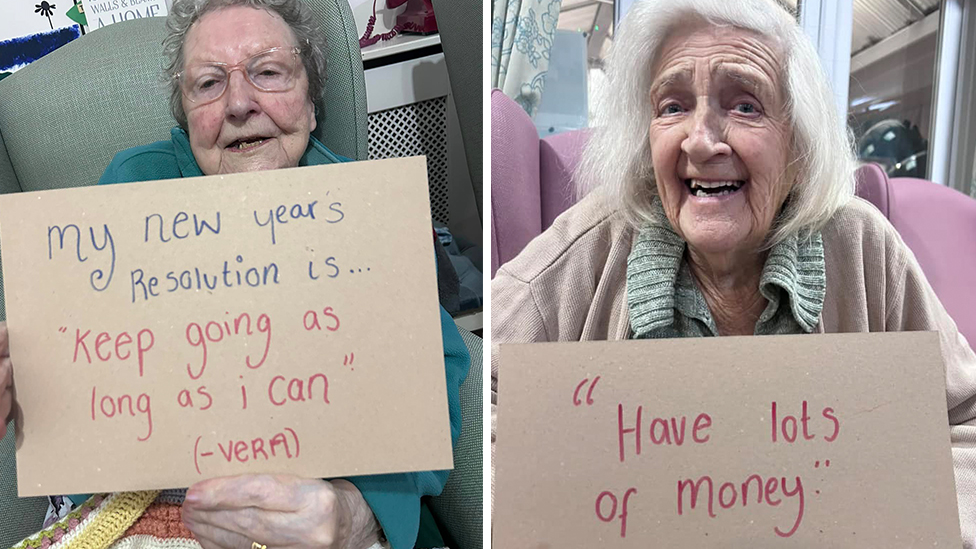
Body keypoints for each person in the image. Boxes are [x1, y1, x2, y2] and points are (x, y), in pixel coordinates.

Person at [490, 0, 976, 540]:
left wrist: (908, 517)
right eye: (672, 106)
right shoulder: (592, 243)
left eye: (745, 106)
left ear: (797, 140)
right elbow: (479, 395)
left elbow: (965, 421)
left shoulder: (861, 246)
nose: (700, 140)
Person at [0, 0, 469, 548]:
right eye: (207, 84)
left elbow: (436, 372)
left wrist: (353, 514)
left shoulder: (366, 207)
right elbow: (81, 374)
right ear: (184, 114)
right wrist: (30, 384)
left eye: (268, 73)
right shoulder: (131, 189)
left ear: (311, 103)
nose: (240, 103)